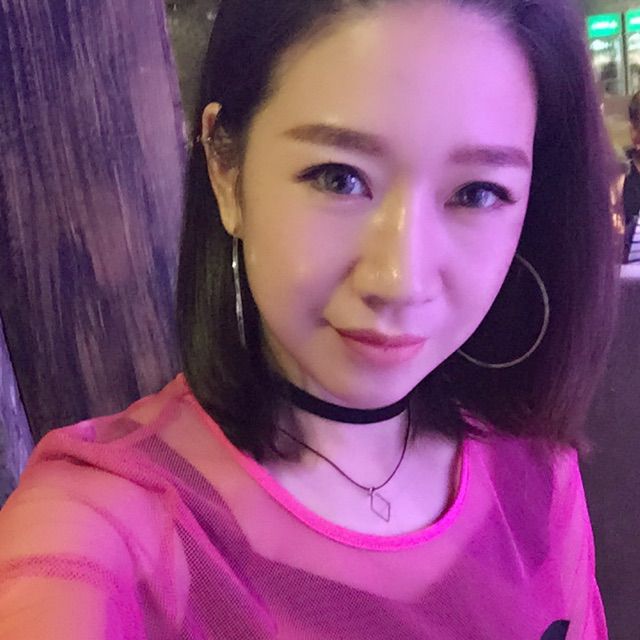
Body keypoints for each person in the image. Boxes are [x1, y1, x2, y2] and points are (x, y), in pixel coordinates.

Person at [0, 0, 618, 638]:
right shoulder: (107, 525)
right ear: (226, 170)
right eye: (338, 178)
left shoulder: (535, 471)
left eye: (477, 193)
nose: (399, 282)